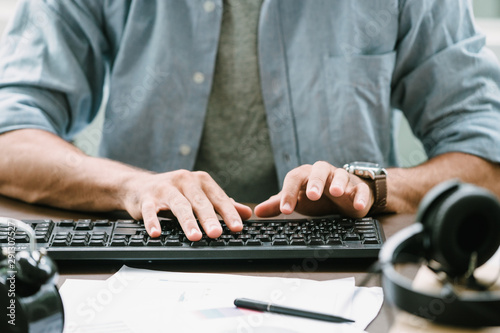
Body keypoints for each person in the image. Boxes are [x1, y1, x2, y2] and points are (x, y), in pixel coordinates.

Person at [0, 0, 499, 241]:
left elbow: (488, 153)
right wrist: (132, 187)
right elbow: (9, 136)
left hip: (346, 284)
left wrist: (376, 187)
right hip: (138, 269)